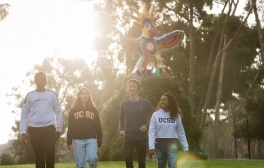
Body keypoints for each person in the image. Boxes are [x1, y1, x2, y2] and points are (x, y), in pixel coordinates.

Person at [20, 71, 63, 168]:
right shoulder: (30, 95)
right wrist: (23, 131)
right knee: (39, 156)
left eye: (44, 79)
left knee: (50, 152)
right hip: (34, 130)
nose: (42, 80)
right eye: (40, 78)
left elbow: (58, 111)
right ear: (35, 81)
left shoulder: (51, 94)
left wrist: (59, 129)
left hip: (49, 129)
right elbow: (24, 113)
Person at [119, 79, 154, 168]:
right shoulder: (124, 104)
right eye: (130, 86)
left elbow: (155, 116)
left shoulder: (145, 103)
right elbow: (121, 118)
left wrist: (146, 125)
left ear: (138, 88)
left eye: (134, 86)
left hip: (141, 136)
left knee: (141, 162)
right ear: (127, 88)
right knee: (128, 158)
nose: (132, 88)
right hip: (129, 135)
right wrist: (121, 129)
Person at [148, 92, 189, 168]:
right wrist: (151, 146)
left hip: (172, 142)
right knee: (161, 165)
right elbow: (152, 131)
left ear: (170, 102)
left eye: (164, 100)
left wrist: (185, 147)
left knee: (173, 165)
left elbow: (180, 132)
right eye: (161, 100)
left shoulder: (176, 115)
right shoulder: (155, 115)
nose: (162, 101)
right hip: (159, 142)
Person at [67, 87, 102, 168]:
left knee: (92, 158)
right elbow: (70, 126)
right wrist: (69, 141)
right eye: (82, 94)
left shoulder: (93, 110)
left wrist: (99, 140)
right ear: (79, 96)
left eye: (86, 94)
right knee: (80, 165)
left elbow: (98, 126)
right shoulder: (73, 110)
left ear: (89, 96)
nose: (85, 96)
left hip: (91, 139)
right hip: (78, 139)